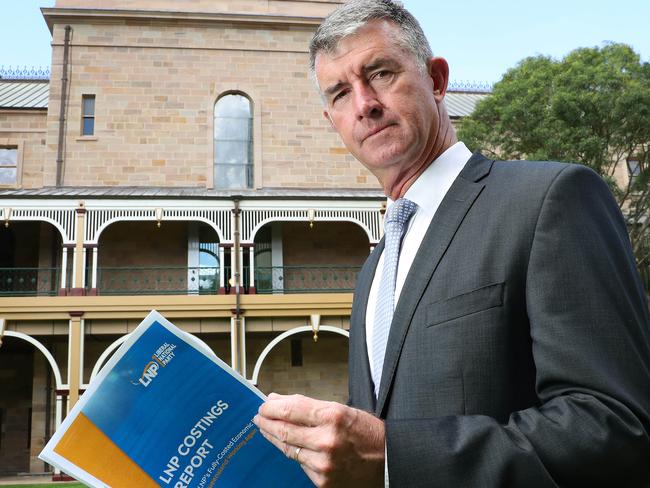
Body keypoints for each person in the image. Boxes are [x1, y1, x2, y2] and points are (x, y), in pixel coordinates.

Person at [253, 1, 650, 486]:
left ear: (436, 80)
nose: (364, 104)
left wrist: (393, 455)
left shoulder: (550, 198)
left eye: (380, 73)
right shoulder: (373, 271)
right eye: (340, 93)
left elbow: (616, 428)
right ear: (331, 119)